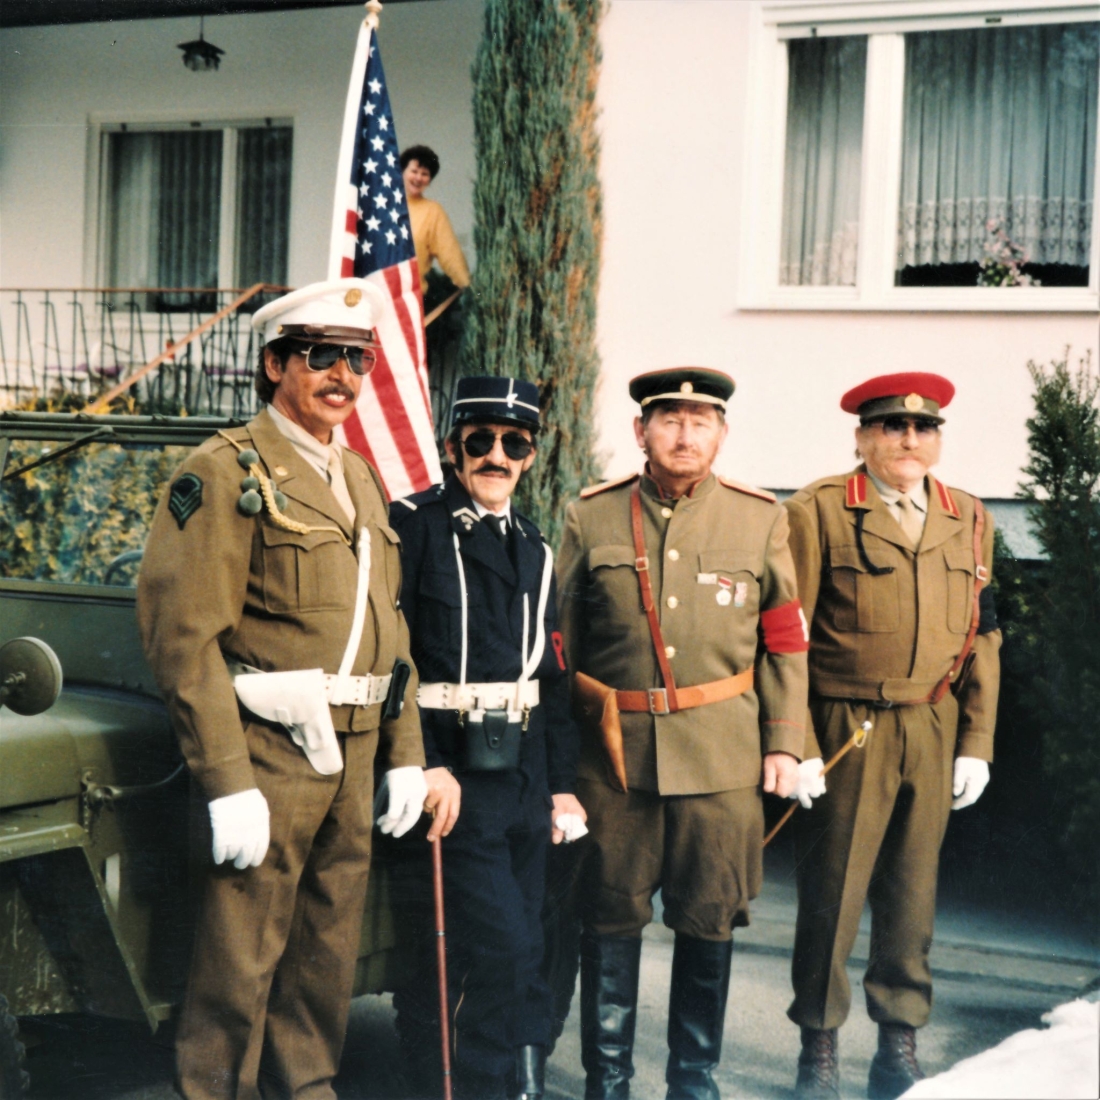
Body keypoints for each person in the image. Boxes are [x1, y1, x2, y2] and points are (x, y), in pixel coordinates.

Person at [137, 279, 430, 1100]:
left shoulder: (361, 479)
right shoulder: (224, 470)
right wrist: (227, 782)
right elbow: (185, 640)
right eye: (321, 356)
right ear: (274, 365)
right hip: (272, 750)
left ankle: (306, 1088)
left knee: (326, 951)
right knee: (241, 953)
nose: (343, 375)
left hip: (358, 746)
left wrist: (404, 752)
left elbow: (391, 626)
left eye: (358, 359)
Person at [556, 368, 810, 1100]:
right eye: (668, 418)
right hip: (616, 762)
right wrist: (565, 767)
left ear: (722, 434)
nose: (685, 433)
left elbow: (784, 640)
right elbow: (562, 646)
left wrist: (784, 740)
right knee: (608, 921)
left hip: (723, 762)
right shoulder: (592, 516)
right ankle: (608, 1080)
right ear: (642, 431)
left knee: (709, 921)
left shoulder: (759, 518)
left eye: (701, 420)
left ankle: (692, 1081)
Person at [783, 373, 1001, 1100]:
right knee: (834, 891)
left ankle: (898, 1041)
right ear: (862, 438)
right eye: (891, 427)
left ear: (937, 439)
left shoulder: (967, 516)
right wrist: (798, 741)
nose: (909, 440)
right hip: (850, 723)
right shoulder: (818, 511)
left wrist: (977, 740)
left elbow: (984, 637)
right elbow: (788, 639)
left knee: (913, 893)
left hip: (934, 723)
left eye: (924, 429)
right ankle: (818, 1044)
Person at [389, 376, 585, 1100]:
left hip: (523, 776)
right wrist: (424, 764)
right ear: (452, 448)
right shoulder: (413, 526)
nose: (496, 455)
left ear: (531, 455)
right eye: (480, 441)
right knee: (495, 949)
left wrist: (561, 785)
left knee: (527, 943)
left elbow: (552, 680)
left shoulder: (534, 548)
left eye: (514, 443)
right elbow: (391, 657)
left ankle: (502, 1085)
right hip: (450, 776)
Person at [401, 144, 471, 293]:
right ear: (402, 172)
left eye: (425, 174)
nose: (418, 178)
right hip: (371, 297)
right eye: (414, 171)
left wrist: (469, 288)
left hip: (410, 302)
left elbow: (450, 255)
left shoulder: (433, 211)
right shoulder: (378, 206)